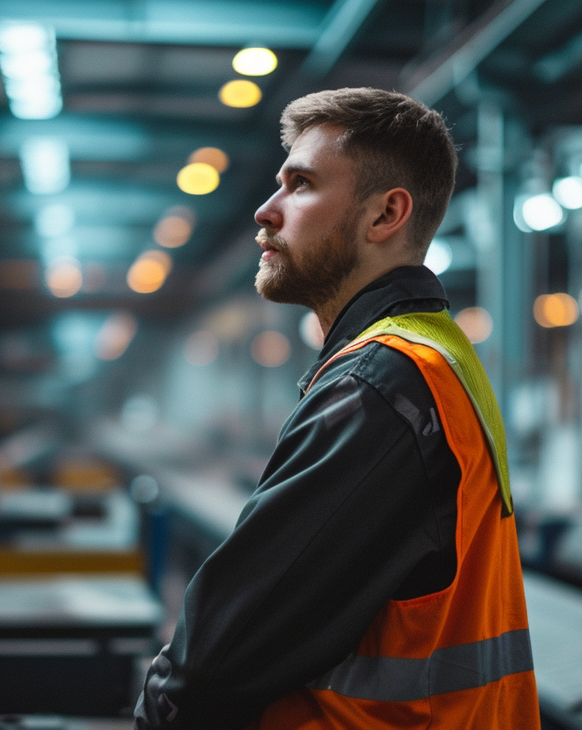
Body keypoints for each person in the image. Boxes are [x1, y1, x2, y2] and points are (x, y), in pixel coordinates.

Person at [135, 87, 538, 729]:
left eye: (300, 185)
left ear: (385, 216)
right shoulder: (434, 357)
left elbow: (215, 659)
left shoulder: (381, 384)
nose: (266, 211)